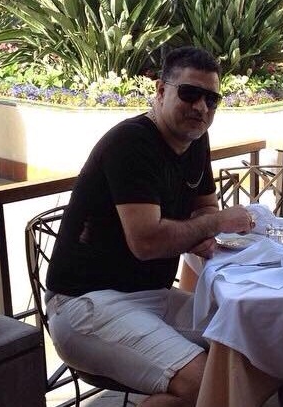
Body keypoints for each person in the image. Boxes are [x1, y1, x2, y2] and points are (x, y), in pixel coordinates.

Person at [45, 46, 255, 407]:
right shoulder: (131, 143)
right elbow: (147, 242)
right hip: (86, 303)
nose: (201, 107)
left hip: (152, 295)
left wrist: (199, 228)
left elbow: (204, 207)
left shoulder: (195, 139)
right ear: (160, 90)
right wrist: (215, 223)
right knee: (206, 383)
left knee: (253, 344)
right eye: (189, 94)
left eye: (211, 99)